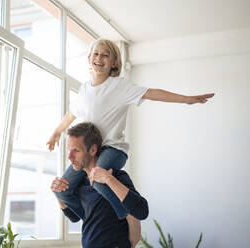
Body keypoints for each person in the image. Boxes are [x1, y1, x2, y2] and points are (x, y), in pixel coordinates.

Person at [47, 39, 214, 220]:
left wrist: (187, 99)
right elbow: (71, 114)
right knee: (62, 190)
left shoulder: (119, 86)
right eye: (96, 54)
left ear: (114, 62)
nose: (99, 58)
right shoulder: (84, 89)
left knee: (99, 182)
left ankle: (127, 216)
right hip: (90, 151)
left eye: (105, 55)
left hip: (113, 149)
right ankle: (85, 217)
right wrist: (56, 133)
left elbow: (152, 93)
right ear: (89, 58)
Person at [51, 122, 149, 248]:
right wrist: (58, 193)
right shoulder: (81, 185)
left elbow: (142, 211)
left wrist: (108, 179)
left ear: (93, 150)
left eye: (76, 151)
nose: (70, 157)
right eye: (69, 150)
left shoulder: (117, 177)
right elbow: (74, 217)